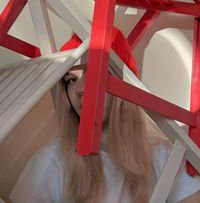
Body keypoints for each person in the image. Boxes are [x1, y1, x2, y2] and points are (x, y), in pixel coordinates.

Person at [10, 27, 200, 203]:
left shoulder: (164, 154)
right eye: (70, 80)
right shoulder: (51, 164)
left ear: (125, 85)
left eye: (93, 72)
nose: (80, 89)